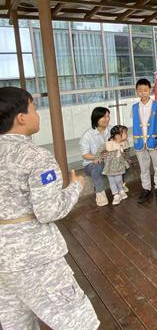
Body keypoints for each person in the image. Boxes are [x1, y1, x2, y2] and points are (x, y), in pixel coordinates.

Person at [0, 87, 99, 329]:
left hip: (4, 260)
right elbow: (49, 211)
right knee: (78, 322)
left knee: (16, 323)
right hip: (34, 256)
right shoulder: (35, 157)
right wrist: (75, 186)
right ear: (21, 117)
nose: (37, 114)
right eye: (34, 108)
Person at [132, 78, 157, 204]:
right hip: (140, 142)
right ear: (136, 91)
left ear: (150, 90)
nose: (143, 93)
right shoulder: (134, 107)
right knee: (144, 167)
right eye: (140, 90)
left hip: (154, 140)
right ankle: (146, 188)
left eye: (145, 90)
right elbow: (136, 124)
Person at [79, 106, 112, 207]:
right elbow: (85, 154)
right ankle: (100, 193)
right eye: (104, 117)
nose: (107, 119)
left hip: (108, 160)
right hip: (90, 163)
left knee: (121, 162)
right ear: (96, 119)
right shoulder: (87, 135)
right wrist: (97, 157)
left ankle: (120, 188)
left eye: (108, 116)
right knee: (96, 168)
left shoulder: (111, 129)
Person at [96, 125, 130, 206]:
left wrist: (126, 157)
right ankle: (116, 194)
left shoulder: (124, 143)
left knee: (118, 179)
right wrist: (98, 157)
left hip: (119, 165)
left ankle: (121, 190)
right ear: (118, 135)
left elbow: (125, 153)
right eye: (125, 133)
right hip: (109, 166)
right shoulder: (108, 144)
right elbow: (99, 150)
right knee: (112, 181)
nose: (127, 135)